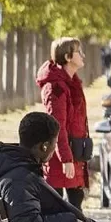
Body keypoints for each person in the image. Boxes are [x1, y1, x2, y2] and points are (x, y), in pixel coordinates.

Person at [36, 36, 89, 210]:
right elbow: (56, 126)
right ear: (67, 57)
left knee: (76, 202)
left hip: (75, 152)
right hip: (59, 156)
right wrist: (66, 158)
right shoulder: (55, 87)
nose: (82, 55)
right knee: (56, 207)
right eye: (78, 52)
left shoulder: (73, 83)